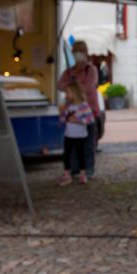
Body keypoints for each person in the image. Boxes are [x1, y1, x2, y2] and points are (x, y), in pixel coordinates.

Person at [57, 41, 100, 175]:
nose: (77, 54)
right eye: (75, 50)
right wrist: (74, 87)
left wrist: (72, 87)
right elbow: (60, 85)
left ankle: (88, 168)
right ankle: (75, 168)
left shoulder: (90, 70)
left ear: (85, 52)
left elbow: (88, 87)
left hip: (89, 112)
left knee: (87, 143)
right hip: (72, 113)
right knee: (73, 143)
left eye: (80, 51)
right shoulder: (69, 71)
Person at [58, 81, 94, 185]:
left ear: (75, 93)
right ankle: (66, 174)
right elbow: (62, 120)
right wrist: (62, 114)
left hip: (80, 135)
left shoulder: (83, 106)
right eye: (66, 93)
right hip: (68, 134)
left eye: (68, 93)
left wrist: (77, 121)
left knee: (80, 154)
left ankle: (83, 174)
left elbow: (90, 120)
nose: (66, 95)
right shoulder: (67, 105)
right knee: (66, 155)